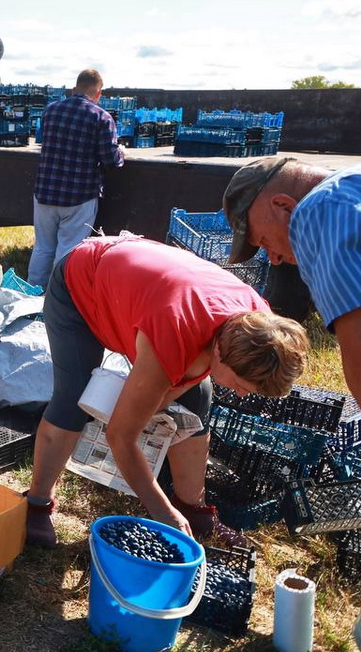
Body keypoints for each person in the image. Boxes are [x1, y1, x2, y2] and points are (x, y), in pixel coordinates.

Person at [24, 235, 308, 548]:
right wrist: (162, 512)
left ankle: (193, 508)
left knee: (198, 399)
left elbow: (187, 377)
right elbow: (120, 435)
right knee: (72, 399)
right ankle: (37, 502)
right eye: (241, 385)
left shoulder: (259, 322)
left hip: (147, 292)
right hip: (82, 282)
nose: (240, 395)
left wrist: (158, 400)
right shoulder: (174, 332)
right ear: (220, 352)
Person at [224, 157, 361, 402]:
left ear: (283, 206)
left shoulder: (317, 210)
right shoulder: (352, 181)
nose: (274, 259)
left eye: (265, 242)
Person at [27, 69, 125, 287]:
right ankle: (56, 299)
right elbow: (111, 160)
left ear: (74, 89)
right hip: (78, 196)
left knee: (42, 247)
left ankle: (30, 293)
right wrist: (121, 152)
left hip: (45, 191)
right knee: (68, 250)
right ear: (98, 93)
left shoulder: (51, 111)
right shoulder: (101, 117)